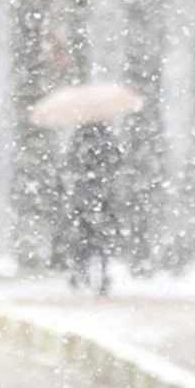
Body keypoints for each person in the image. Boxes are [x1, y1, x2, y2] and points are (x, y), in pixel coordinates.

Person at [59, 122, 122, 294]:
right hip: (102, 197)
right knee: (100, 240)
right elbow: (117, 162)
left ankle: (81, 274)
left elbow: (71, 164)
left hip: (85, 197)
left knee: (84, 239)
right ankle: (100, 276)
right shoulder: (107, 137)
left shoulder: (80, 138)